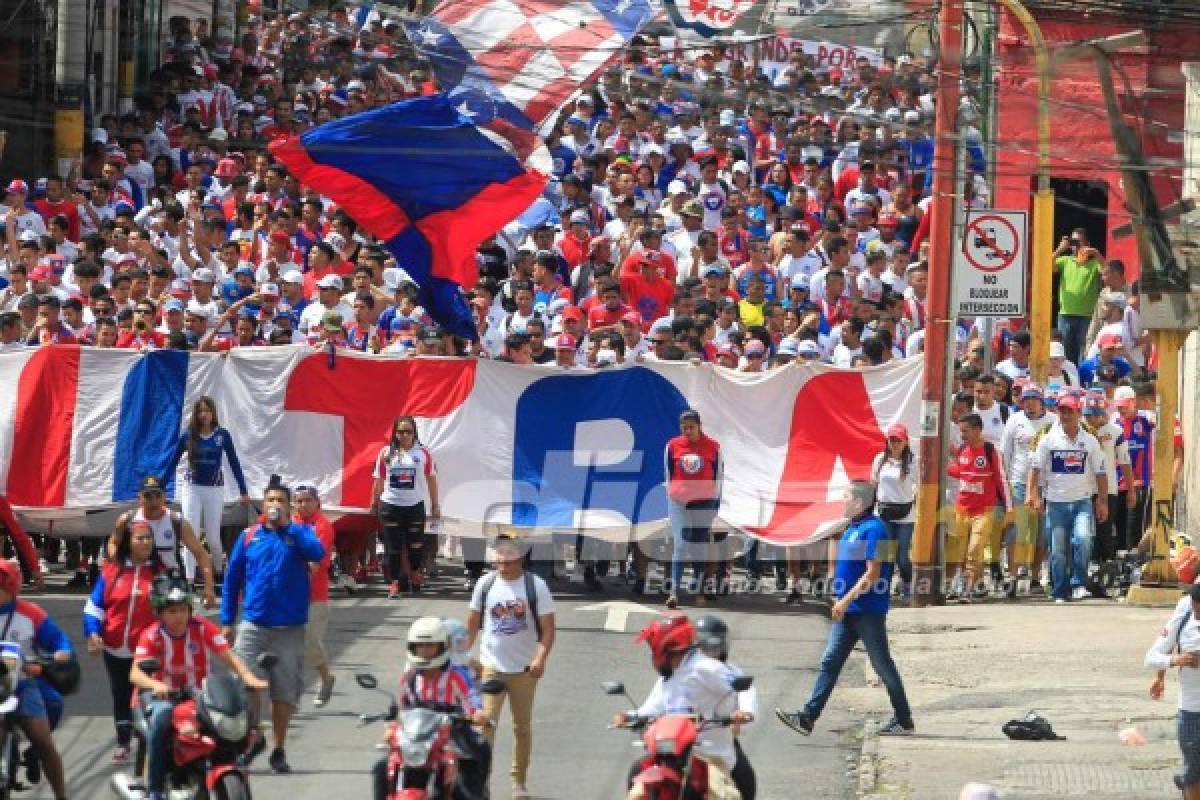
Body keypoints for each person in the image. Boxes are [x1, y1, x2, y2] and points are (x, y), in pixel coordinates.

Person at [776, 481, 914, 737]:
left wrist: (845, 600)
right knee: (830, 662)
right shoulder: (854, 527)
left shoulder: (877, 531)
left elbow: (873, 575)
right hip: (850, 611)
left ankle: (904, 719)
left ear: (859, 503)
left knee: (882, 665)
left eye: (846, 497)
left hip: (867, 610)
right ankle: (808, 717)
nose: (843, 501)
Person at [130, 572, 267, 800]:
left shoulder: (202, 627)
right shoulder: (152, 635)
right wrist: (155, 685)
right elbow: (135, 673)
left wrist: (246, 676)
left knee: (241, 721)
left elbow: (227, 655)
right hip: (160, 697)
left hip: (199, 696)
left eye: (183, 610)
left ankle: (223, 764)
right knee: (162, 718)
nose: (179, 617)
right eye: (172, 611)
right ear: (159, 613)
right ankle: (154, 790)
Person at [220, 477, 325, 773]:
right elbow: (232, 580)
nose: (275, 505)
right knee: (244, 683)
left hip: (289, 627)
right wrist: (228, 620)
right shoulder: (249, 536)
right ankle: (253, 735)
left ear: (289, 507)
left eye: (281, 501)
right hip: (254, 624)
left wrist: (290, 528)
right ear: (262, 506)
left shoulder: (300, 533)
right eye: (271, 501)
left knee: (284, 692)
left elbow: (318, 554)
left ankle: (279, 748)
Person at [615, 615, 754, 799]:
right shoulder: (669, 677)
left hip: (709, 755)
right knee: (637, 780)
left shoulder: (706, 667)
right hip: (671, 754)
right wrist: (630, 716)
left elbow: (743, 687)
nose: (651, 652)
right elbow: (652, 708)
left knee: (726, 795)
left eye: (652, 645)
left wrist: (745, 711)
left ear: (666, 645)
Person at [466, 536, 556, 800]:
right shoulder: (485, 584)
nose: (502, 559)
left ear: (521, 556)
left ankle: (519, 782)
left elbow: (548, 629)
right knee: (485, 727)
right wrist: (462, 656)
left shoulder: (535, 586)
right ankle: (482, 783)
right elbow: (472, 624)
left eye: (509, 553)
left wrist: (540, 659)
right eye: (499, 553)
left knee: (522, 727)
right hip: (491, 667)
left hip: (524, 670)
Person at [372, 617, 491, 800]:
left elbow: (471, 698)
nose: (425, 651)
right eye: (420, 646)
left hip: (451, 735)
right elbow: (404, 707)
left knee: (476, 757)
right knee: (381, 767)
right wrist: (392, 725)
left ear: (443, 647)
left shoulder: (456, 675)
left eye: (430, 646)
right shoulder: (410, 677)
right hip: (418, 738)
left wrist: (477, 713)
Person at [84, 519, 164, 764]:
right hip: (115, 648)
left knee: (147, 696)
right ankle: (123, 742)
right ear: (129, 542)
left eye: (148, 537)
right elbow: (93, 607)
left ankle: (149, 742)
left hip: (149, 651)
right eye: (140, 537)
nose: (145, 542)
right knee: (121, 695)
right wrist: (93, 633)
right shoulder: (111, 571)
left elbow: (175, 609)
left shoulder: (161, 573)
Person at [0, 559, 72, 800]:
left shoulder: (31, 614)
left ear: (12, 589)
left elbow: (59, 639)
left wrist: (62, 652)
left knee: (42, 739)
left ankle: (61, 795)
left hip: (22, 683)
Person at [161, 396, 251, 582]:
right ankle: (189, 579)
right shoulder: (188, 435)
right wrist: (160, 487)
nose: (204, 415)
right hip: (192, 487)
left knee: (213, 537)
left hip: (214, 489)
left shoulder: (222, 435)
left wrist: (243, 490)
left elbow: (234, 463)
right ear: (196, 414)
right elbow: (172, 461)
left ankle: (218, 569)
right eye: (200, 411)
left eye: (207, 411)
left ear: (213, 413)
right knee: (190, 533)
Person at [1028, 395, 1108, 603]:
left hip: (1082, 502)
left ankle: (1079, 583)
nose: (1065, 415)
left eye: (1070, 411)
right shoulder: (1048, 439)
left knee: (1083, 539)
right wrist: (1032, 494)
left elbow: (1101, 472)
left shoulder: (1090, 440)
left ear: (1078, 413)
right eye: (1062, 411)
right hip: (1055, 503)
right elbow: (1035, 468)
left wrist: (1102, 501)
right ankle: (1059, 591)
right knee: (1059, 550)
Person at [107, 475, 217, 609]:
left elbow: (201, 554)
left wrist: (209, 587)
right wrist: (119, 563)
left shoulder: (177, 522)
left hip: (171, 582)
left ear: (164, 497)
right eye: (148, 496)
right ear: (140, 498)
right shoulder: (127, 520)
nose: (154, 501)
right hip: (137, 579)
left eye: (158, 495)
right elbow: (113, 542)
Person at [371, 415, 441, 598]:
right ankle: (394, 583)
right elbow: (378, 479)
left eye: (408, 431)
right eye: (400, 431)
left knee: (416, 545)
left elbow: (432, 479)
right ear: (394, 433)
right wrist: (373, 502)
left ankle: (416, 574)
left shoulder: (423, 453)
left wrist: (435, 505)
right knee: (393, 548)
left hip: (414, 506)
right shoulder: (386, 453)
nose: (404, 435)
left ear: (414, 433)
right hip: (390, 506)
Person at [946, 414, 1011, 602]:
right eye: (961, 431)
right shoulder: (962, 450)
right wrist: (942, 464)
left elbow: (1002, 480)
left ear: (977, 430)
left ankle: (966, 589)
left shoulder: (991, 451)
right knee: (959, 550)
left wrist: (1009, 508)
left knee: (975, 549)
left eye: (965, 431)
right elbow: (961, 472)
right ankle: (972, 584)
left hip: (984, 511)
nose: (962, 435)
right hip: (962, 509)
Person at [663, 409, 723, 610]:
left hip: (704, 502)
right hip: (679, 501)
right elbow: (668, 474)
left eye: (691, 427)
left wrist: (716, 503)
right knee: (680, 545)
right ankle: (673, 593)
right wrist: (671, 497)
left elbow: (719, 477)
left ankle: (698, 591)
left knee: (698, 545)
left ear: (699, 426)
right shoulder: (672, 446)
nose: (687, 431)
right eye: (684, 427)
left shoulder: (713, 447)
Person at [694, 614, 758, 800]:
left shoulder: (730, 672)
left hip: (717, 741)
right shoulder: (680, 670)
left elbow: (747, 692)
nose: (709, 651)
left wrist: (745, 712)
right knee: (639, 774)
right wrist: (635, 715)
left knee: (745, 780)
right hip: (680, 742)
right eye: (703, 646)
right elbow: (659, 698)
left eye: (714, 646)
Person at [1146, 583, 1200, 799]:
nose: (1197, 613)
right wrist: (1174, 661)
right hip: (1191, 711)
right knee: (1194, 776)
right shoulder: (1185, 609)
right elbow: (1152, 656)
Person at [293, 484, 337, 708]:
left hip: (315, 596)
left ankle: (326, 678)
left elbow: (316, 562)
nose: (303, 505)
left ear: (317, 503)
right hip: (290, 596)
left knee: (310, 642)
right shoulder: (290, 524)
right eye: (299, 501)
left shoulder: (323, 526)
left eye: (307, 500)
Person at [872, 424, 917, 598]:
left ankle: (907, 585)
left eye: (898, 440)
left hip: (905, 515)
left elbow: (918, 484)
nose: (895, 444)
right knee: (885, 555)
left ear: (905, 442)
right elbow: (874, 484)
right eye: (892, 440)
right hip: (883, 513)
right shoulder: (880, 459)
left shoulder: (912, 461)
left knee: (902, 557)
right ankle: (884, 589)